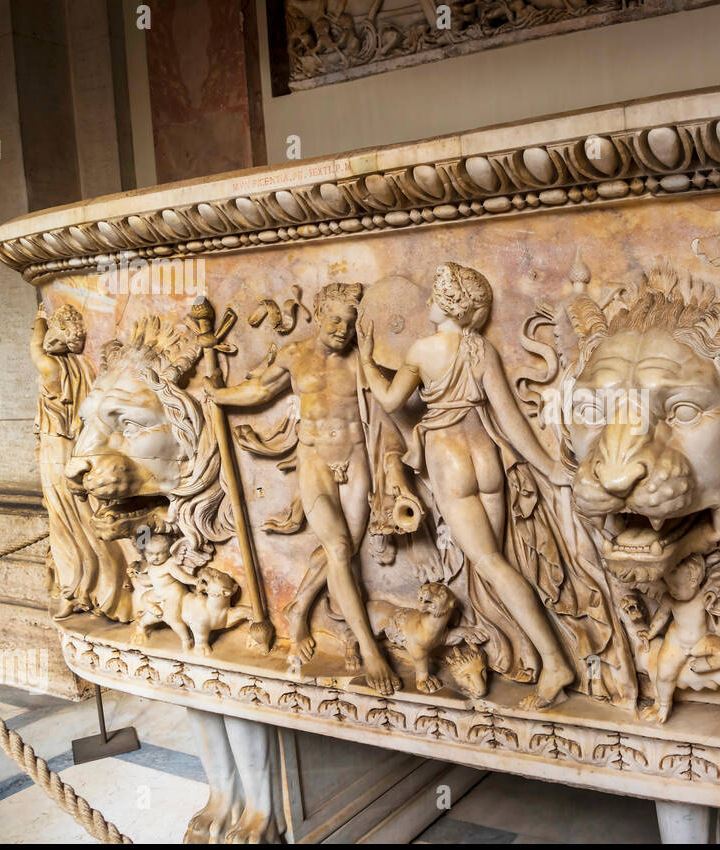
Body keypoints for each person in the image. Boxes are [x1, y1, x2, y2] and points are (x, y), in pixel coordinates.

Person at [358, 262, 576, 708]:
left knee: (492, 565)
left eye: (434, 297)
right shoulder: (482, 351)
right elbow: (512, 421)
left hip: (450, 460)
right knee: (497, 564)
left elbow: (389, 400)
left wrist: (365, 361)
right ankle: (530, 651)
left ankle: (555, 661)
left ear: (449, 303)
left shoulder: (422, 350)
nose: (427, 303)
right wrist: (548, 466)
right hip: (487, 459)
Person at [208, 283, 399, 694]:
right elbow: (260, 390)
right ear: (317, 314)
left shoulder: (359, 359)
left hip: (356, 460)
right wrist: (220, 396)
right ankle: (368, 647)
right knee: (339, 550)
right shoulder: (296, 356)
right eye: (333, 319)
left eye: (348, 323)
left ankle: (299, 611)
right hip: (315, 462)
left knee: (341, 553)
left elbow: (391, 395)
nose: (341, 329)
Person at [30, 304, 127, 620]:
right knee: (83, 519)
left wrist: (39, 318)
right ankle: (101, 590)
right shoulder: (82, 369)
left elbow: (35, 346)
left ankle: (79, 590)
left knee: (66, 524)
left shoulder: (52, 369)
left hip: (57, 455)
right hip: (75, 450)